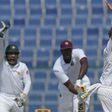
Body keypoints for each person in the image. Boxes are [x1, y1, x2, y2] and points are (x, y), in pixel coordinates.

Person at [0, 21, 31, 112]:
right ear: (6, 55)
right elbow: (0, 50)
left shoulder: (23, 66)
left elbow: (28, 82)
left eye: (15, 54)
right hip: (3, 97)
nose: (12, 56)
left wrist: (23, 96)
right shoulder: (2, 63)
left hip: (18, 98)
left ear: (18, 55)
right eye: (10, 54)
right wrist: (1, 37)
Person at [53, 40, 90, 112]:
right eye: (65, 50)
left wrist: (79, 80)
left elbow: (85, 63)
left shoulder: (78, 52)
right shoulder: (57, 67)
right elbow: (69, 86)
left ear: (71, 49)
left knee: (80, 110)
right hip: (66, 89)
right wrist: (81, 93)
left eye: (69, 50)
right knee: (66, 109)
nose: (67, 52)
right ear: (61, 51)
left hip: (82, 82)